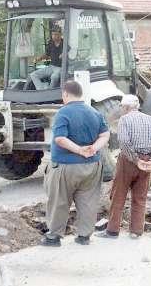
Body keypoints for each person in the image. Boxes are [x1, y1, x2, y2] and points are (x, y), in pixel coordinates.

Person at [42, 80, 109, 246]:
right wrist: (93, 149)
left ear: (65, 94)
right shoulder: (94, 112)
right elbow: (105, 135)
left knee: (59, 200)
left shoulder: (63, 113)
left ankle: (54, 237)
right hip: (92, 166)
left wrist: (79, 150)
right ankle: (84, 236)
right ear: (81, 94)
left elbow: (59, 138)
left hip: (65, 166)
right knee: (88, 201)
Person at [97, 94, 151, 240]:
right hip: (146, 161)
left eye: (121, 106)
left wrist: (135, 159)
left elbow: (124, 142)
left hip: (128, 161)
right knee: (140, 197)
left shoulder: (124, 119)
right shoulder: (150, 119)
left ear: (126, 107)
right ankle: (136, 231)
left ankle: (112, 231)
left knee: (118, 195)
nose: (121, 109)